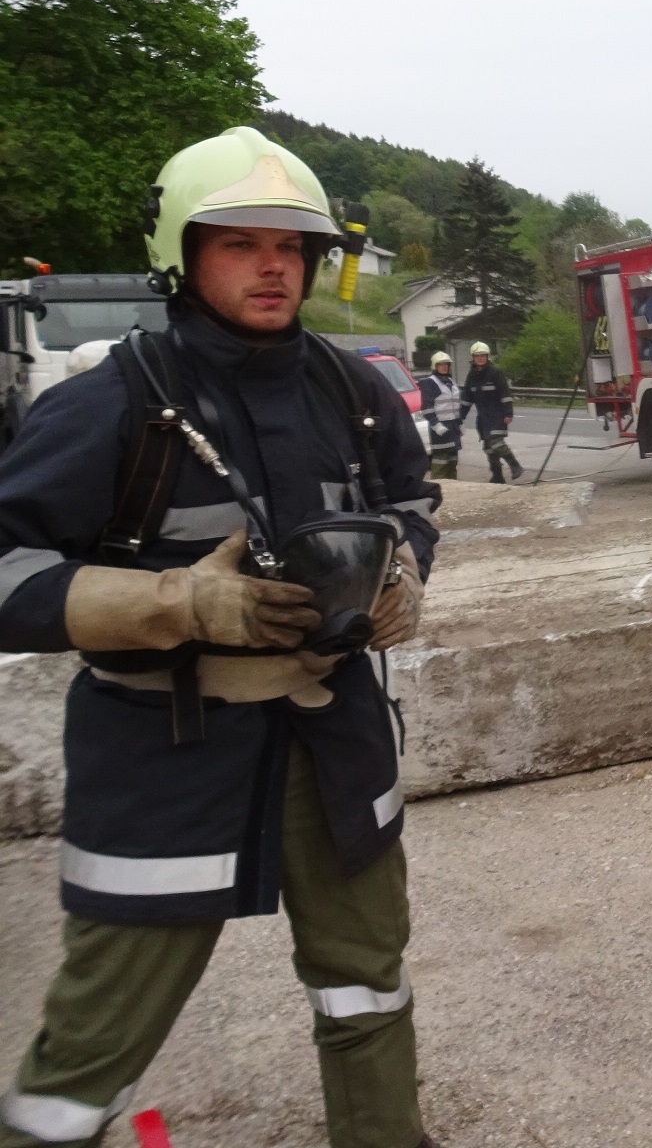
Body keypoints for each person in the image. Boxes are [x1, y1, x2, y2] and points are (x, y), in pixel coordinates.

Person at [0, 126, 441, 1148]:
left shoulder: (352, 393)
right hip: (165, 753)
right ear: (182, 253)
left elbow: (411, 502)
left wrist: (401, 575)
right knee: (100, 1031)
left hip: (336, 736)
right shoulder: (111, 404)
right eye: (241, 243)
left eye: (292, 247)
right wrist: (177, 605)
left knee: (367, 982)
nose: (273, 266)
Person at [462, 342, 521, 482]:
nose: (480, 358)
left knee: (496, 442)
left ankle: (515, 465)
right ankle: (497, 476)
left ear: (487, 356)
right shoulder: (472, 376)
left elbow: (505, 394)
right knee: (489, 448)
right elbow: (466, 399)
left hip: (497, 416)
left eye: (483, 355)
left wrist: (508, 413)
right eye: (477, 355)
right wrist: (460, 417)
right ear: (473, 358)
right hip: (483, 419)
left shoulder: (496, 373)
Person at [417, 350, 466, 480]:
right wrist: (435, 424)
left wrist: (460, 423)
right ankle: (439, 486)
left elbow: (456, 406)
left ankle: (452, 486)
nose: (444, 367)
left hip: (453, 427)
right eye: (441, 364)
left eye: (446, 364)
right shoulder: (429, 383)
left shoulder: (451, 382)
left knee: (453, 461)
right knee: (441, 462)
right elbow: (426, 408)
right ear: (435, 366)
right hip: (440, 429)